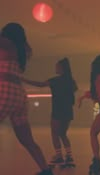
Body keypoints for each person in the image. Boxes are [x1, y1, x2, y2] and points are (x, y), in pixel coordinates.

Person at [0, 22, 53, 175]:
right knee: (27, 140)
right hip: (19, 95)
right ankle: (46, 170)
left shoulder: (7, 44)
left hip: (4, 91)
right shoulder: (22, 49)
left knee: (27, 139)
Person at [21, 58, 77, 167]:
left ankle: (59, 156)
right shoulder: (71, 80)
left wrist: (24, 80)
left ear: (62, 68)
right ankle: (69, 156)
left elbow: (40, 84)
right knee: (63, 134)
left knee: (55, 133)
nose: (55, 68)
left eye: (57, 66)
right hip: (68, 110)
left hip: (58, 109)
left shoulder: (55, 80)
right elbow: (73, 92)